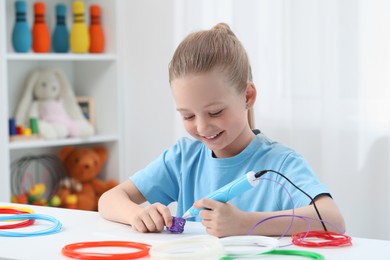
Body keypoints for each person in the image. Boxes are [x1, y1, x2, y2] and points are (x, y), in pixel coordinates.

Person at [98, 23, 345, 238]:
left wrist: (245, 223)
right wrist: (139, 214)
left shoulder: (281, 163)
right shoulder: (183, 158)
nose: (203, 127)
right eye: (188, 116)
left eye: (215, 112)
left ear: (247, 96)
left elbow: (333, 220)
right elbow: (108, 200)